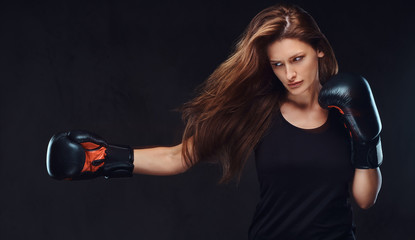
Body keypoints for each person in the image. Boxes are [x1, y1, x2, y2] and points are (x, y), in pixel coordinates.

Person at [46, 3, 382, 239]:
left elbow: (365, 199)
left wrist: (368, 142)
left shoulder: (349, 107)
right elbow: (180, 156)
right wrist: (104, 159)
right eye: (278, 64)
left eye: (297, 59)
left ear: (319, 50)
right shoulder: (259, 111)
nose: (290, 73)